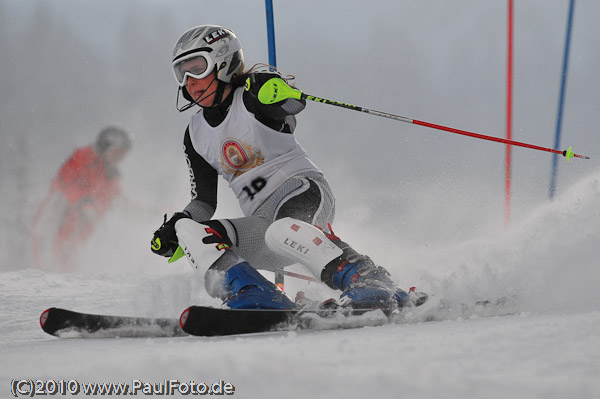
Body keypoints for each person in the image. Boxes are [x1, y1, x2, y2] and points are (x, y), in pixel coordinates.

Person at [151, 25, 415, 310]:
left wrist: (271, 89)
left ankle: (367, 280)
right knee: (192, 232)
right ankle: (255, 294)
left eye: (197, 68)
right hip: (261, 227)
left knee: (284, 230)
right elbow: (204, 201)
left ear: (223, 62)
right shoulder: (196, 133)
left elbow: (292, 104)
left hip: (302, 191)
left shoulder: (251, 95)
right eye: (182, 73)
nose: (190, 81)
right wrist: (177, 224)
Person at [31, 126, 132, 272]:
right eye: (116, 152)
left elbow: (122, 205)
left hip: (74, 243)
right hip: (52, 230)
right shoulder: (83, 158)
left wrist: (154, 215)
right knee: (45, 276)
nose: (119, 158)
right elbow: (65, 183)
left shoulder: (111, 178)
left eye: (123, 154)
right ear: (105, 146)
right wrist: (84, 200)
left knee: (67, 277)